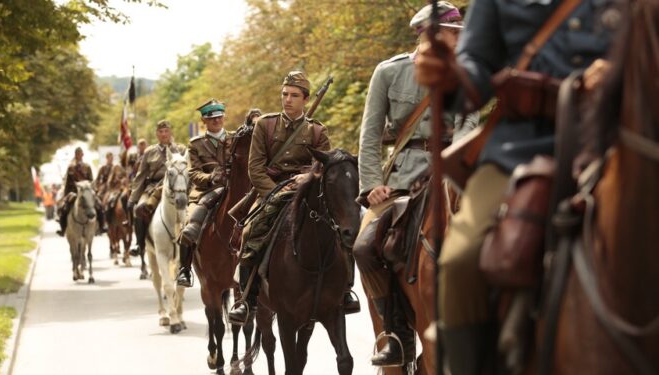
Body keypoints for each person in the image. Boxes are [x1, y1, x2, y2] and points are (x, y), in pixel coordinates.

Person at [414, 0, 616, 371]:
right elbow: (475, 72)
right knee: (460, 261)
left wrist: (621, 70)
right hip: (522, 145)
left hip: (617, 141)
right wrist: (450, 76)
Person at [353, 2, 479, 369]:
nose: (458, 40)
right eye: (452, 34)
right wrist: (372, 185)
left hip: (452, 173)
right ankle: (396, 331)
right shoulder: (389, 72)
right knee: (364, 246)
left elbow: (470, 122)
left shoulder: (468, 72)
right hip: (403, 180)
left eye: (459, 35)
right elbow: (370, 134)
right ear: (429, 34)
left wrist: (454, 162)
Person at [229, 71, 359, 325]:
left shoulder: (317, 130)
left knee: (340, 227)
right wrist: (275, 192)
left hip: (306, 191)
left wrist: (308, 177)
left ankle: (344, 291)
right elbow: (255, 168)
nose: (287, 100)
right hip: (272, 191)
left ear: (306, 99)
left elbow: (323, 165)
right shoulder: (264, 125)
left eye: (294, 95)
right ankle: (247, 298)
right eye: (285, 94)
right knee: (250, 231)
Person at [176, 99, 234, 287]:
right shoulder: (196, 144)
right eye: (212, 119)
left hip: (234, 189)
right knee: (189, 228)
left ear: (224, 117)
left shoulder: (235, 139)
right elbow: (193, 173)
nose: (216, 121)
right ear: (204, 121)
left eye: (219, 117)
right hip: (206, 192)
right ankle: (185, 269)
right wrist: (210, 178)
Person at [127, 121, 185, 258]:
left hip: (177, 187)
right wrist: (133, 197)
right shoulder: (149, 151)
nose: (164, 134)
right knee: (139, 209)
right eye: (161, 132)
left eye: (166, 131)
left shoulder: (181, 149)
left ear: (171, 132)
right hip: (153, 188)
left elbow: (188, 171)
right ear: (156, 134)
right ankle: (139, 243)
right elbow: (140, 176)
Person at [56, 147, 107, 236]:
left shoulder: (87, 167)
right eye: (77, 154)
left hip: (86, 191)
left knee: (99, 205)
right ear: (75, 155)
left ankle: (102, 226)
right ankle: (63, 228)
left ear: (82, 155)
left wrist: (93, 191)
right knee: (64, 208)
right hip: (74, 192)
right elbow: (68, 182)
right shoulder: (71, 167)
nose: (79, 155)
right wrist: (66, 195)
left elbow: (91, 180)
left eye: (80, 154)